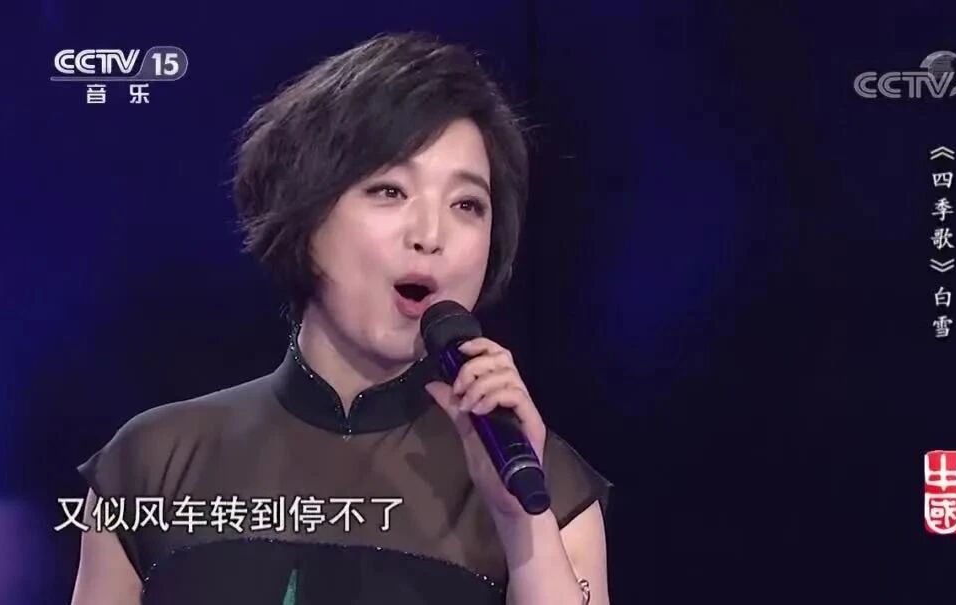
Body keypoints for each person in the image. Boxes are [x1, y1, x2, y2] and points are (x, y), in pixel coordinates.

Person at [69, 31, 612, 605]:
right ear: (305, 214)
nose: (431, 235)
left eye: (466, 204)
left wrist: (522, 523)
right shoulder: (154, 462)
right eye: (389, 191)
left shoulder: (542, 485)